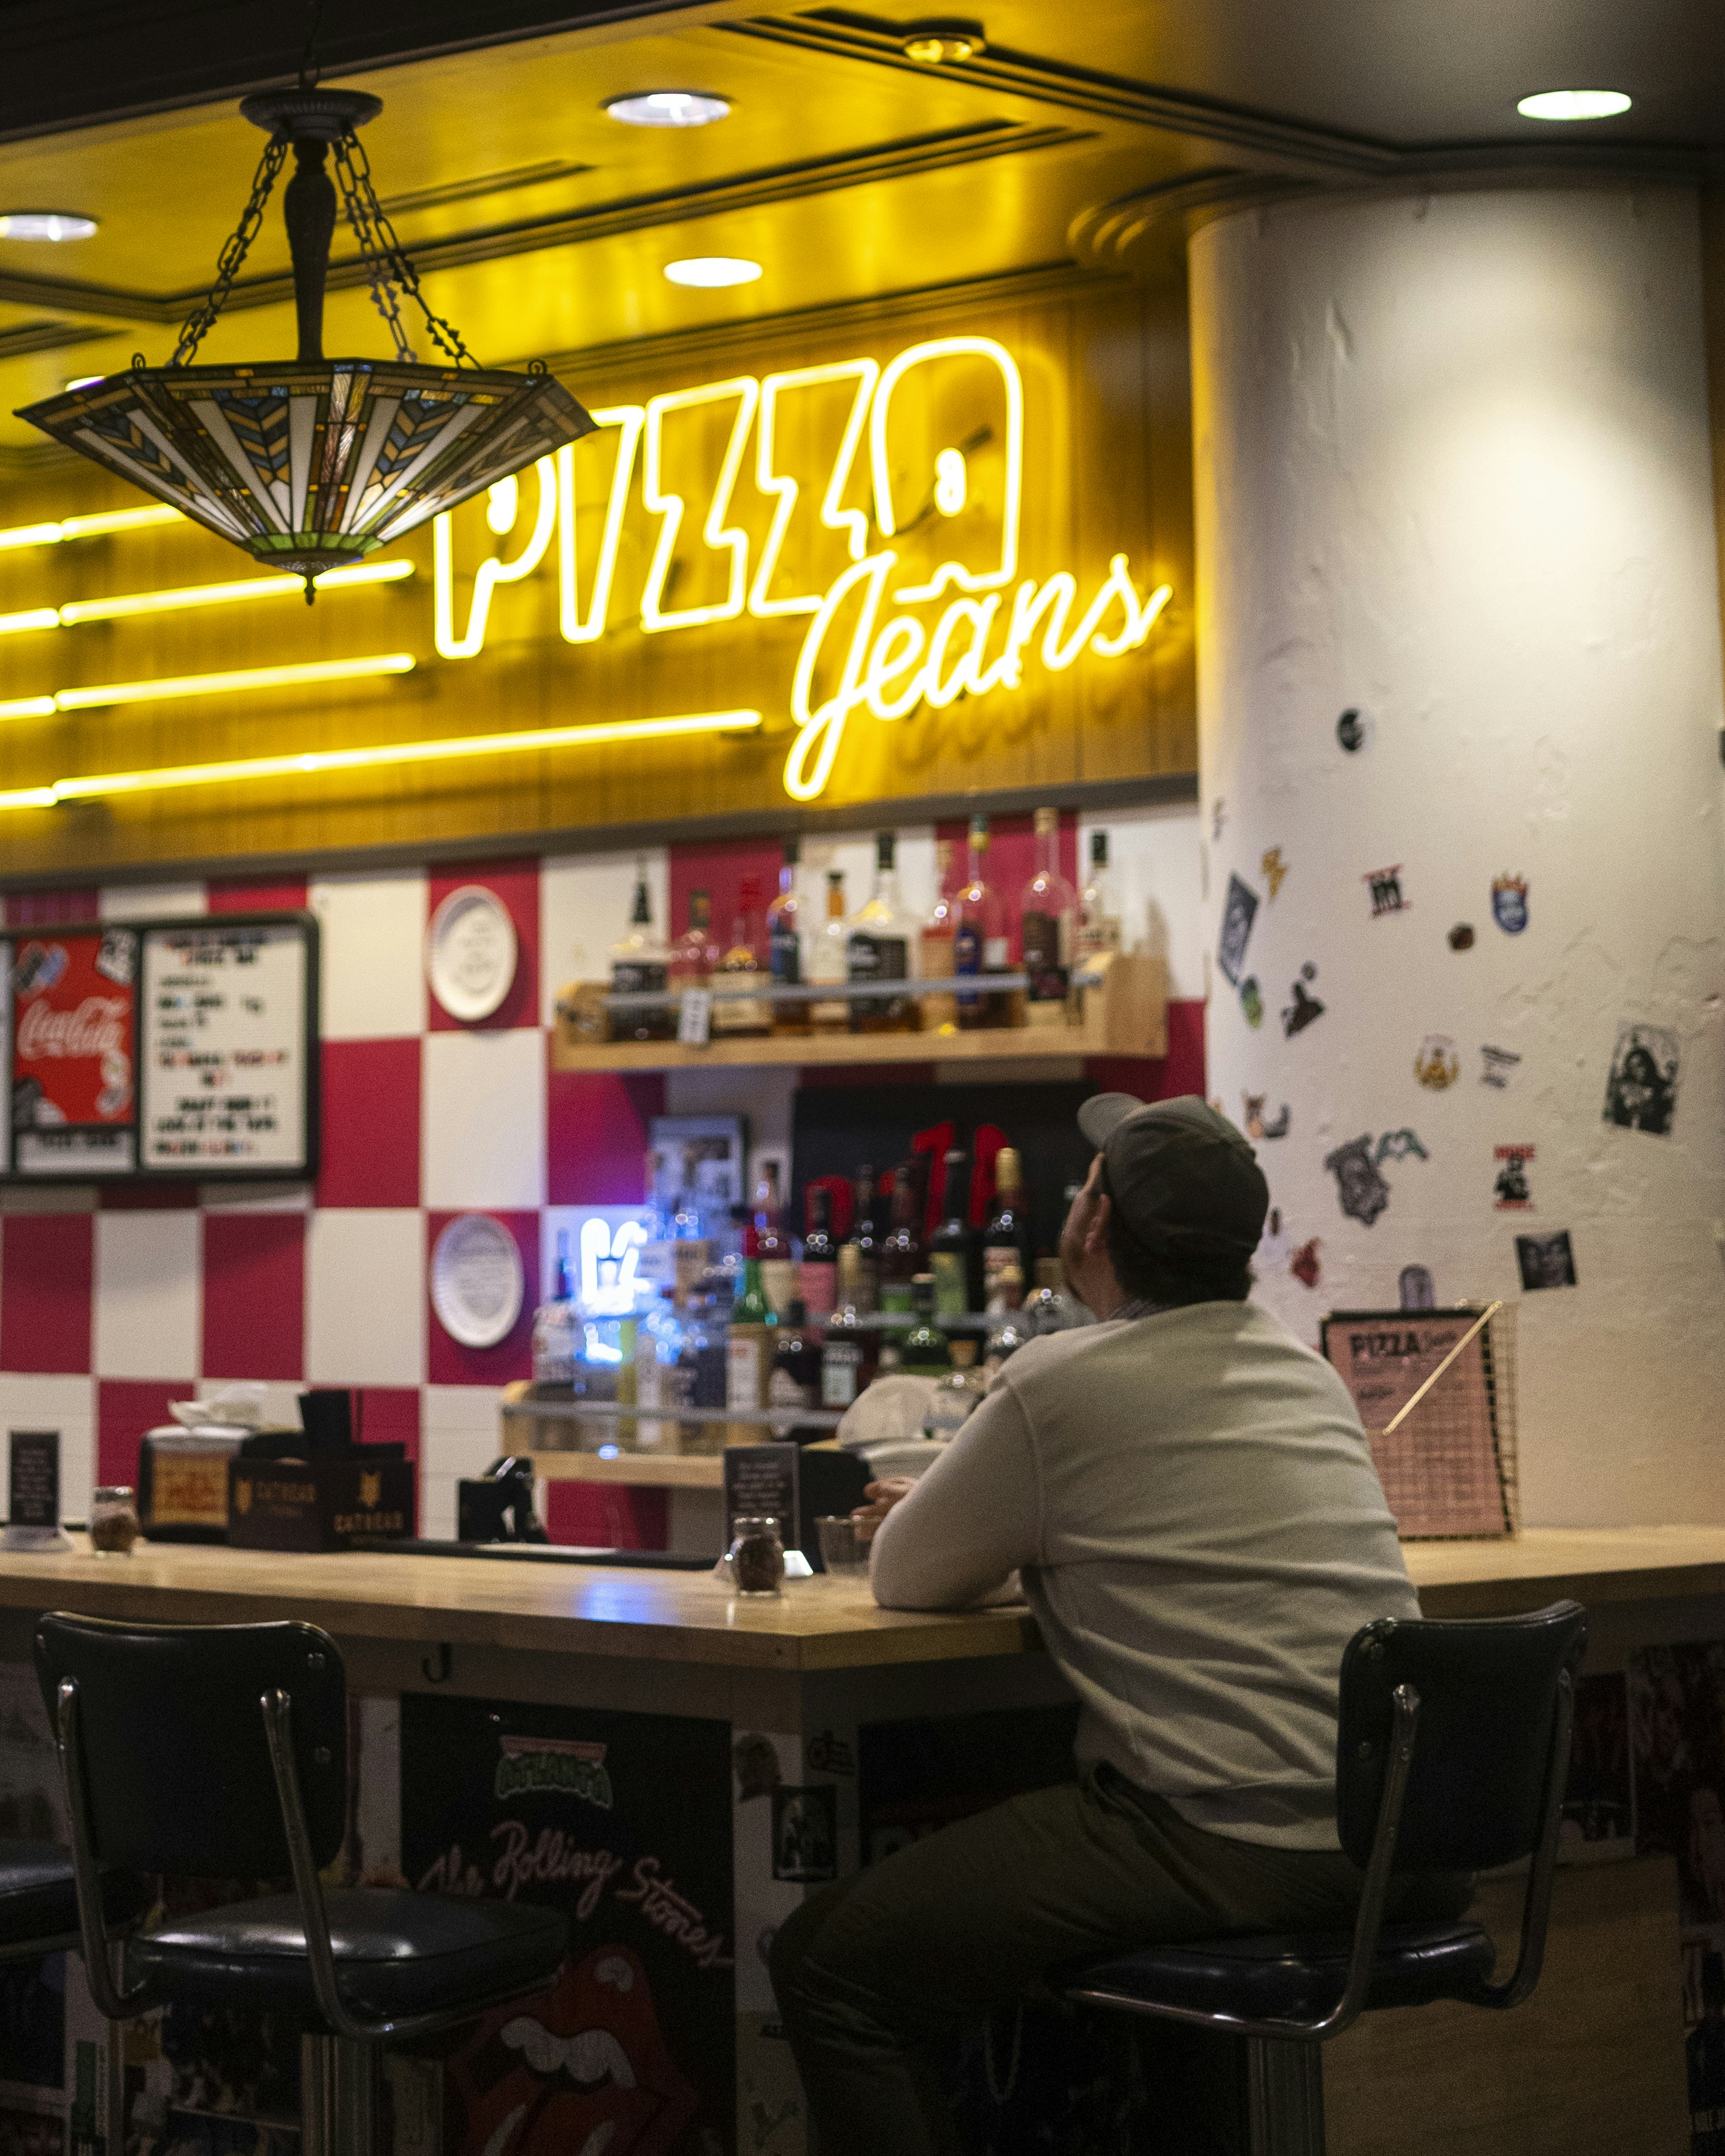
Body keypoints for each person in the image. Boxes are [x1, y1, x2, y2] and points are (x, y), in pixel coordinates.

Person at [769, 1093, 1470, 2155]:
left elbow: (905, 1579)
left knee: (831, 1967)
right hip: (1402, 1838)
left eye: (1088, 1182)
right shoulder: (1308, 1375)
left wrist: (983, 1528)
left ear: (1095, 1225)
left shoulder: (1060, 1383)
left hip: (1232, 1839)